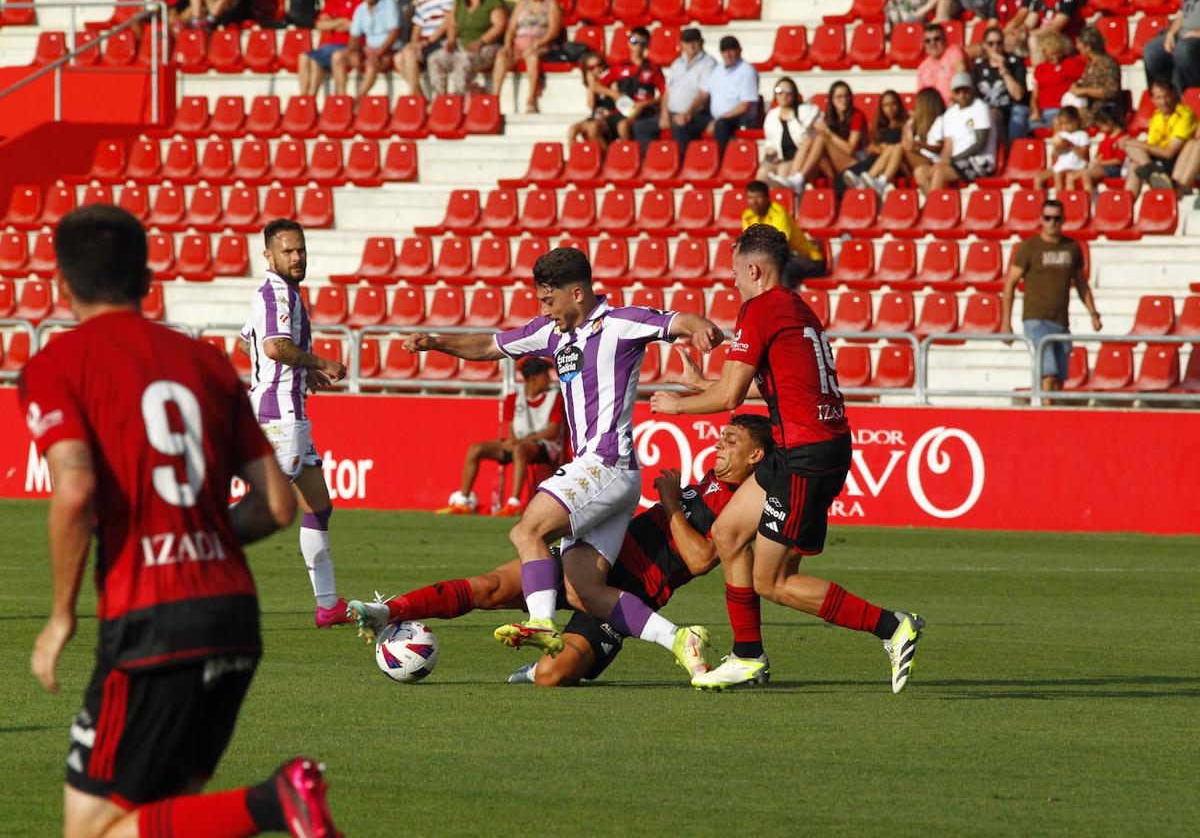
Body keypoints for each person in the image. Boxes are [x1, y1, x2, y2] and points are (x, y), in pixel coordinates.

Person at [18, 205, 340, 838]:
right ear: (147, 280)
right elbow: (278, 505)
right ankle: (278, 803)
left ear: (62, 284)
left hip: (152, 621)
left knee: (92, 830)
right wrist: (208, 538)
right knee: (158, 818)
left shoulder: (55, 365)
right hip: (234, 619)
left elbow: (76, 488)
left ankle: (275, 802)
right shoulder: (206, 363)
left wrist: (60, 616)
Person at [401, 247, 725, 682]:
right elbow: (491, 344)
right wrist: (436, 342)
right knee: (583, 589)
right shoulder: (551, 334)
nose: (543, 309)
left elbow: (675, 321)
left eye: (548, 300)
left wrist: (700, 325)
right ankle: (680, 639)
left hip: (605, 461)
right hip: (608, 474)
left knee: (527, 530)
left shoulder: (620, 323)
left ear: (577, 293)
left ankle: (539, 623)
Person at [649, 224, 923, 693]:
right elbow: (779, 387)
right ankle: (748, 657)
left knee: (771, 582)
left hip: (805, 456)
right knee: (728, 532)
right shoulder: (796, 308)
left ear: (753, 269)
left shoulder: (759, 308)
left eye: (735, 271)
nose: (733, 280)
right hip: (805, 445)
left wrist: (678, 405)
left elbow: (732, 394)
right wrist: (701, 387)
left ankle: (892, 626)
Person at [349, 414, 774, 688]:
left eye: (730, 440)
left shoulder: (742, 504)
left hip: (631, 591)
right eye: (721, 437)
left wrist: (669, 501)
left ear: (756, 455)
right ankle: (393, 610)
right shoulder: (712, 480)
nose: (719, 444)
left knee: (553, 677)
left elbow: (700, 559)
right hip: (594, 558)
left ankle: (569, 650)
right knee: (491, 587)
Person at [239, 219, 351, 627]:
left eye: (300, 249)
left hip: (286, 407)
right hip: (280, 413)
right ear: (268, 255)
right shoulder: (278, 294)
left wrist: (305, 374)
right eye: (287, 251)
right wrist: (321, 363)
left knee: (318, 505)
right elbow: (275, 346)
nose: (297, 256)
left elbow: (250, 341)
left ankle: (328, 606)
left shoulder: (273, 294)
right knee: (265, 507)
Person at [438, 356, 565, 516]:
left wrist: (519, 441)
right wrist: (513, 441)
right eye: (545, 375)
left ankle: (514, 504)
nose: (549, 379)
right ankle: (463, 501)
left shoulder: (555, 398)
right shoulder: (513, 398)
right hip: (520, 444)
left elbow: (552, 432)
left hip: (546, 447)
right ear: (533, 378)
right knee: (476, 449)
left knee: (519, 448)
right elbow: (511, 429)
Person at [1001, 198, 1101, 395]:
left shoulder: (1071, 247)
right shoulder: (1029, 247)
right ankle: (1045, 417)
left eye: (1056, 218)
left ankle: (1044, 414)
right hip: (1036, 319)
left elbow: (1081, 282)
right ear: (1040, 219)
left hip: (1061, 321)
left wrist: (1093, 313)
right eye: (1047, 218)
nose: (1052, 222)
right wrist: (1006, 322)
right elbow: (1010, 283)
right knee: (1048, 374)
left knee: (1059, 380)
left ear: (1063, 220)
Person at [674, 35, 760, 155]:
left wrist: (719, 119)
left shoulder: (747, 71)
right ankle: (688, 159)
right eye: (724, 51)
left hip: (738, 118)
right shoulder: (718, 69)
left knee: (721, 126)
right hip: (717, 117)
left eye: (731, 50)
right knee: (682, 123)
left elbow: (744, 106)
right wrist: (687, 113)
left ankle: (720, 161)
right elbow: (703, 94)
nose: (727, 54)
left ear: (739, 51)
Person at [916, 71, 997, 192]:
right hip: (957, 161)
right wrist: (942, 161)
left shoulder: (980, 108)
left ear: (972, 90)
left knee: (940, 173)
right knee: (921, 172)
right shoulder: (950, 114)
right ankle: (935, 207)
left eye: (965, 91)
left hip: (980, 161)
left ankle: (931, 208)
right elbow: (948, 146)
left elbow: (980, 143)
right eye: (957, 92)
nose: (962, 95)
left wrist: (954, 159)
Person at [1120, 79, 1200, 196]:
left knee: (1134, 150)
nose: (1163, 102)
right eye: (1159, 98)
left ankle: (1162, 180)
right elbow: (1152, 145)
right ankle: (1125, 206)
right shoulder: (1157, 116)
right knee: (1131, 152)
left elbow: (1169, 152)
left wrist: (1139, 144)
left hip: (1175, 161)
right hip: (1158, 161)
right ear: (1152, 100)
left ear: (1173, 94)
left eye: (1166, 96)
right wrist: (1133, 143)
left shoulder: (1184, 114)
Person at [791, 80, 868, 195]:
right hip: (835, 165)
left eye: (847, 96)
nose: (844, 100)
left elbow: (850, 149)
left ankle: (800, 177)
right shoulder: (830, 117)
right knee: (811, 141)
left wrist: (828, 133)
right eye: (839, 97)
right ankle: (796, 177)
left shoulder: (857, 115)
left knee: (822, 139)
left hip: (856, 163)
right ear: (832, 100)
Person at [742, 180, 825, 284]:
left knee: (780, 268)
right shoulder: (747, 215)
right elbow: (749, 244)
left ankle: (782, 300)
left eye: (758, 197)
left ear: (767, 198)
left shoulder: (779, 213)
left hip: (807, 259)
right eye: (750, 197)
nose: (754, 201)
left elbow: (779, 244)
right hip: (777, 258)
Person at [600, 26, 667, 153]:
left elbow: (665, 94)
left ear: (647, 45)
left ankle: (629, 160)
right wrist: (613, 93)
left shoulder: (653, 68)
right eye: (634, 42)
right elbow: (597, 85)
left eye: (643, 43)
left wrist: (646, 104)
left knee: (623, 126)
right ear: (629, 43)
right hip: (620, 111)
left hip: (641, 113)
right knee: (592, 128)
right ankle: (606, 160)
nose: (638, 46)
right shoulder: (620, 66)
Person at [492, 0, 564, 114]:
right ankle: (494, 99)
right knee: (502, 57)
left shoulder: (551, 5)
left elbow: (553, 32)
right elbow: (511, 29)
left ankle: (531, 99)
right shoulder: (522, 4)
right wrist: (507, 45)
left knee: (532, 56)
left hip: (540, 43)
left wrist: (537, 44)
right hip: (518, 43)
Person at [427, 0, 508, 96]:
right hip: (461, 45)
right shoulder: (460, 1)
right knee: (435, 59)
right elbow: (452, 24)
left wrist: (480, 42)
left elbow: (500, 25)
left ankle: (459, 98)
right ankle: (439, 99)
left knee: (464, 59)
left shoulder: (493, 1)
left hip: (487, 46)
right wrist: (451, 40)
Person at [331, 0, 404, 97]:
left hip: (388, 50)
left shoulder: (388, 3)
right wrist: (353, 52)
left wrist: (378, 53)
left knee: (372, 63)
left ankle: (357, 102)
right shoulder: (361, 9)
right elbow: (354, 37)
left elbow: (394, 33)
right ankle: (342, 99)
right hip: (368, 49)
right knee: (337, 56)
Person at [971, 25, 1030, 143]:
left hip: (1011, 110)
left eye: (999, 43)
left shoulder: (1014, 62)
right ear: (984, 45)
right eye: (991, 43)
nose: (995, 47)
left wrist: (1003, 69)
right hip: (988, 112)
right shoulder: (978, 66)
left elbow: (1018, 95)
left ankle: (1008, 151)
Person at [844, 89, 908, 196]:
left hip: (899, 164)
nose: (890, 109)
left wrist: (887, 148)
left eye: (893, 104)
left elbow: (906, 146)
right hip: (881, 161)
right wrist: (881, 148)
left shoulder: (905, 124)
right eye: (886, 105)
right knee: (890, 149)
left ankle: (873, 180)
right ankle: (872, 180)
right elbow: (869, 148)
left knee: (896, 147)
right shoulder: (880, 126)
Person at [757, 77, 819, 186]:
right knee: (762, 174)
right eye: (779, 92)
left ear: (794, 94)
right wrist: (770, 153)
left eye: (788, 92)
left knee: (783, 171)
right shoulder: (771, 115)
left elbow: (815, 134)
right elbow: (769, 141)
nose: (783, 96)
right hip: (780, 158)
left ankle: (789, 201)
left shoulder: (805, 111)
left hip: (800, 159)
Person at [661, 28, 717, 147]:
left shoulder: (709, 63)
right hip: (672, 113)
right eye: (687, 42)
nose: (691, 45)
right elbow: (668, 92)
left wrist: (687, 113)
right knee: (640, 127)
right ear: (682, 44)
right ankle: (649, 161)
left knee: (680, 126)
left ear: (702, 42)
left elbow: (703, 95)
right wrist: (664, 113)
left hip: (696, 113)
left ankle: (681, 162)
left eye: (694, 41)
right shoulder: (677, 63)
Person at [297, 0, 361, 95]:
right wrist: (340, 22)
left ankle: (339, 97)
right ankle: (305, 98)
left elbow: (356, 26)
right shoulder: (332, 1)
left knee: (326, 58)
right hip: (330, 47)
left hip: (351, 46)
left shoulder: (360, 1)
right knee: (303, 57)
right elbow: (320, 25)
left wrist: (332, 23)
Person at [1143, 0, 1200, 96]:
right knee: (1151, 50)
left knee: (1182, 51)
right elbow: (1181, 16)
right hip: (1181, 35)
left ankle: (1191, 96)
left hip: (1194, 39)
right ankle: (1162, 95)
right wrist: (1171, 33)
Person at [1029, 31, 1085, 129]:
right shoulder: (1040, 69)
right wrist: (1035, 111)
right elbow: (1035, 96)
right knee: (1032, 126)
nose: (1055, 57)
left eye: (1058, 53)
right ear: (1044, 53)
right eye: (1051, 54)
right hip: (1044, 110)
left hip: (1063, 110)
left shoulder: (1071, 64)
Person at [1069, 25, 1122, 128]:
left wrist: (1084, 91)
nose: (1077, 47)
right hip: (1088, 108)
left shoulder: (1107, 63)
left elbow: (1112, 90)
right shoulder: (1090, 63)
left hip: (1102, 110)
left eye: (1079, 44)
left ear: (1088, 47)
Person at [399, 0, 453, 95]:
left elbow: (448, 22)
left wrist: (427, 42)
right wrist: (414, 44)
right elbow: (417, 26)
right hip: (425, 44)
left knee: (409, 54)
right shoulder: (423, 2)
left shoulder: (449, 0)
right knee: (398, 58)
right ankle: (419, 97)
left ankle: (412, 96)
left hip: (440, 43)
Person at [895, 87, 946, 188]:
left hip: (934, 160)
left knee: (899, 148)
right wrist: (909, 125)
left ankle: (881, 180)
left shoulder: (941, 120)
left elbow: (939, 148)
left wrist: (918, 144)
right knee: (895, 149)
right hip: (921, 160)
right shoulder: (918, 123)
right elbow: (906, 141)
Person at [567, 53, 620, 146]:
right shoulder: (592, 85)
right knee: (572, 130)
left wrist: (603, 88)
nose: (597, 69)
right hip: (596, 117)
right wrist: (591, 86)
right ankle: (574, 158)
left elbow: (618, 102)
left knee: (593, 129)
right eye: (591, 68)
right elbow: (591, 106)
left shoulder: (613, 81)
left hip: (611, 118)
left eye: (599, 65)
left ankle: (607, 157)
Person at [1033, 106, 1088, 191]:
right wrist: (1058, 148)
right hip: (1060, 166)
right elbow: (1054, 156)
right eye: (1062, 124)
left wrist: (1070, 145)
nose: (1065, 127)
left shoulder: (1082, 135)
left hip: (1075, 166)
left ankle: (1060, 200)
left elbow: (1084, 155)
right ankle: (1039, 202)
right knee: (1038, 178)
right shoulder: (1061, 134)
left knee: (1058, 176)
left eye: (1068, 123)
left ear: (1076, 121)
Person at [1078, 106, 1126, 194]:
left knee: (1086, 174)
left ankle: (1087, 200)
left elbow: (1118, 160)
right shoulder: (1106, 138)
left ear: (1109, 122)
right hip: (1103, 167)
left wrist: (1100, 163)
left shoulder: (1121, 138)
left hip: (1113, 169)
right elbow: (1100, 155)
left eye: (1101, 126)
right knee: (1075, 175)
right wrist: (1094, 163)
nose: (1100, 129)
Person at [917, 22, 967, 106]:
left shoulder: (953, 53)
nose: (932, 44)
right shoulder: (922, 67)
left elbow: (961, 80)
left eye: (937, 39)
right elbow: (920, 98)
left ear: (945, 40)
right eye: (928, 41)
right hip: (931, 112)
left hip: (954, 107)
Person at [885, 0, 960, 24]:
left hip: (932, 25)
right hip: (908, 35)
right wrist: (929, 6)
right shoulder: (893, 3)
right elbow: (904, 25)